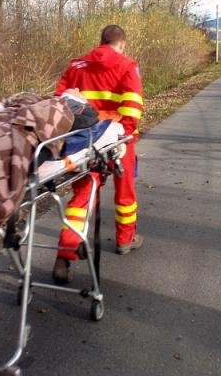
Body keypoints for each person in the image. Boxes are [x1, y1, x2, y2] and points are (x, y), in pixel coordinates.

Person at [53, 24, 144, 284]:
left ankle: (65, 253)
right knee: (125, 189)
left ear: (100, 41)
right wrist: (124, 135)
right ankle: (125, 239)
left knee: (83, 195)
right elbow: (133, 105)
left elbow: (60, 102)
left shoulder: (76, 65)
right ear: (122, 44)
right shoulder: (127, 65)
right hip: (117, 137)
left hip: (83, 139)